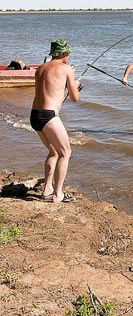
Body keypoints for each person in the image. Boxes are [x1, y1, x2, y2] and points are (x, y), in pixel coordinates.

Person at [30, 39, 81, 203]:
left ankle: (47, 188)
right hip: (49, 116)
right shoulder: (66, 68)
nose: (68, 56)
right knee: (66, 153)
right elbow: (74, 98)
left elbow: (49, 89)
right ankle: (58, 194)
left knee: (53, 151)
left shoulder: (40, 68)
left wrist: (67, 85)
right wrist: (75, 84)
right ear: (64, 53)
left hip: (34, 115)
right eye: (68, 53)